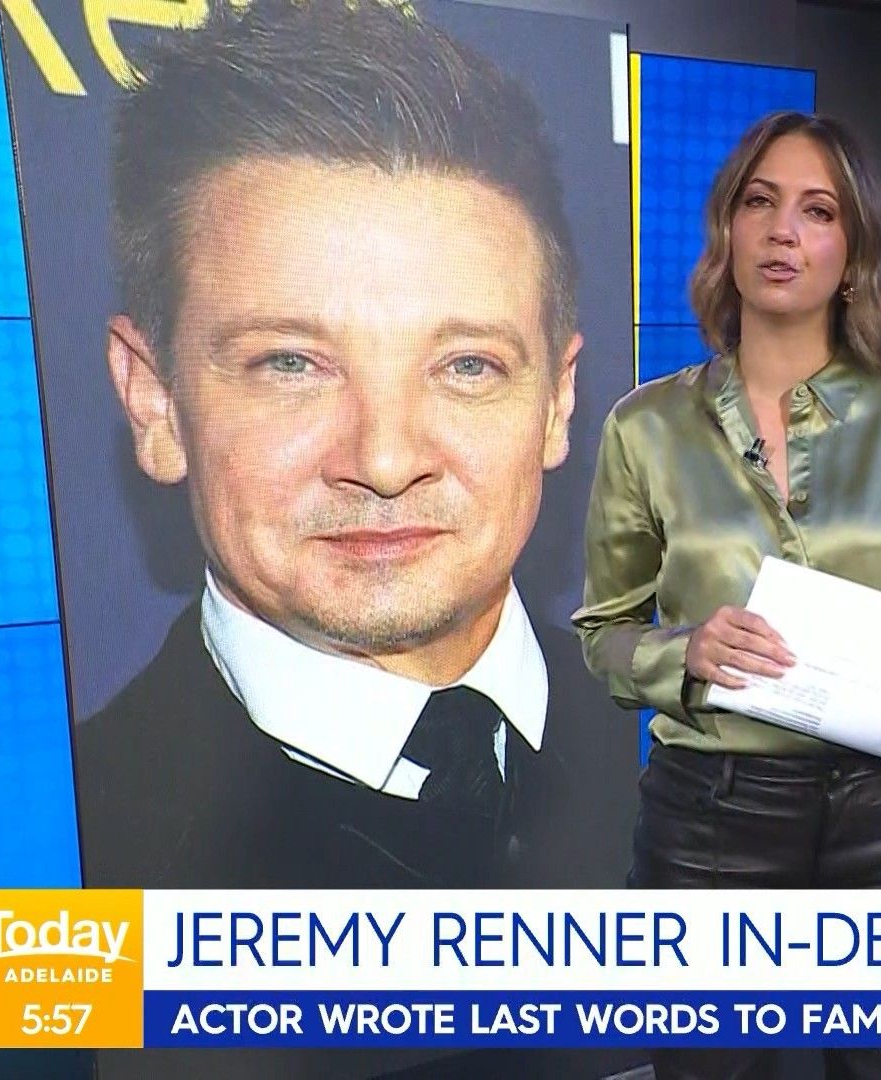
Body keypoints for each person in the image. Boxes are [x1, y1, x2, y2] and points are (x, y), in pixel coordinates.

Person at [75, 0, 605, 891]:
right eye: (291, 364)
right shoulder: (50, 876)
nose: (386, 461)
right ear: (154, 402)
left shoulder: (716, 758)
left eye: (466, 365)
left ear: (557, 403)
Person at [573, 110, 881, 1080]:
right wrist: (686, 653)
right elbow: (604, 632)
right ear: (727, 230)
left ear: (853, 253)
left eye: (818, 210)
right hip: (712, 817)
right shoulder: (645, 428)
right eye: (759, 203)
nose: (782, 231)